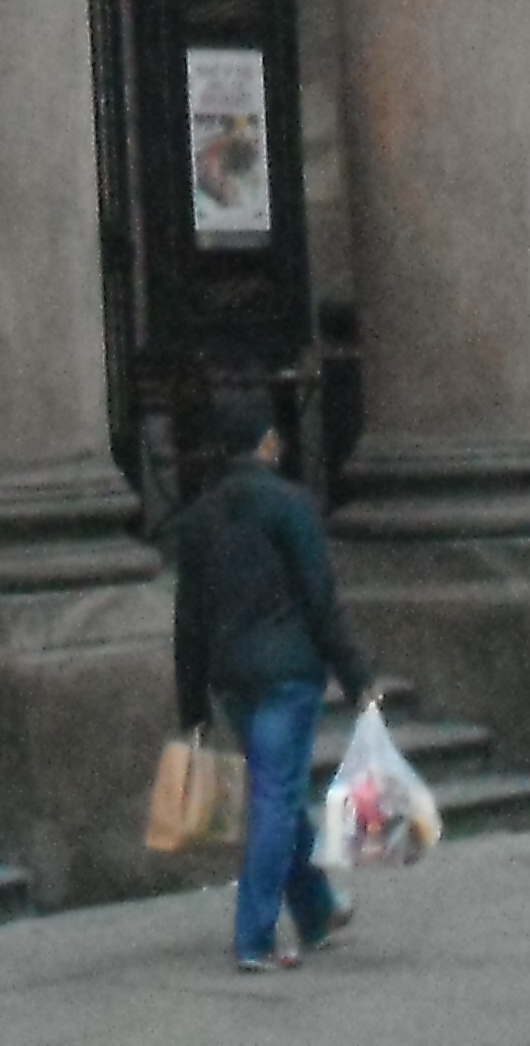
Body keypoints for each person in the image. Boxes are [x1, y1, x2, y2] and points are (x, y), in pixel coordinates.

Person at [168, 391, 374, 973]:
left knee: (274, 793)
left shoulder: (199, 517)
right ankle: (254, 937)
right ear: (266, 444)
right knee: (275, 800)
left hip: (231, 676)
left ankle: (316, 912)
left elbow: (189, 619)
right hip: (287, 672)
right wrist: (356, 675)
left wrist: (192, 705)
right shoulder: (291, 505)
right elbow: (320, 598)